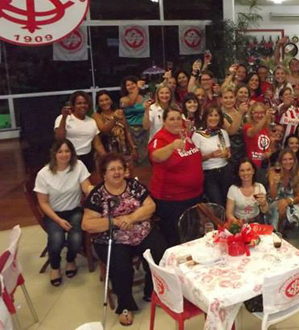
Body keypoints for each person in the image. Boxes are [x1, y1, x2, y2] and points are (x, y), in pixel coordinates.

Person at [82, 153, 166, 326]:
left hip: (141, 231)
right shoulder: (97, 195)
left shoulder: (134, 186)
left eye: (120, 168)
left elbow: (151, 206)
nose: (117, 172)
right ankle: (125, 305)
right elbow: (87, 224)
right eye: (112, 169)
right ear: (104, 173)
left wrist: (131, 218)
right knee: (121, 267)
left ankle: (152, 291)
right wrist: (114, 222)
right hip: (113, 239)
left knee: (160, 251)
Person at [34, 139, 93, 286]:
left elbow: (86, 187)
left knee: (76, 238)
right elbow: (43, 203)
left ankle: (71, 260)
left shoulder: (78, 166)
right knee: (56, 239)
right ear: (54, 153)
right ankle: (55, 267)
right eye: (60, 151)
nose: (64, 154)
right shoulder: (43, 174)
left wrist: (92, 190)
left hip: (75, 210)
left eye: (67, 151)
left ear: (72, 153)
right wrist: (58, 220)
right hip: (53, 213)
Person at [148, 107, 204, 246]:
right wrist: (171, 146)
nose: (176, 122)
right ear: (164, 121)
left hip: (194, 195)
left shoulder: (184, 133)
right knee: (175, 238)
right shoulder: (160, 138)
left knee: (193, 234)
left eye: (178, 118)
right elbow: (155, 156)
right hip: (172, 200)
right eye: (171, 119)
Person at [54, 90, 105, 173]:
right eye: (79, 103)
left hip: (87, 159)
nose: (83, 105)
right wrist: (64, 117)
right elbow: (59, 138)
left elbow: (98, 144)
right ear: (73, 105)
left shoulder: (91, 121)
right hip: (68, 158)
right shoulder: (62, 118)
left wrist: (107, 158)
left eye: (85, 103)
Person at [192, 107, 232, 207]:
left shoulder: (223, 133)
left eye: (216, 115)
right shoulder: (197, 135)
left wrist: (226, 154)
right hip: (209, 174)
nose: (213, 118)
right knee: (217, 203)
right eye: (210, 115)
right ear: (205, 117)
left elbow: (229, 153)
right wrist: (210, 155)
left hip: (225, 171)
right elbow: (194, 159)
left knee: (227, 201)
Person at [94, 90, 138, 176]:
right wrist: (114, 119)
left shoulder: (119, 112)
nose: (105, 102)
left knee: (127, 174)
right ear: (98, 103)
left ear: (111, 100)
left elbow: (127, 131)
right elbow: (104, 130)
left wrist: (133, 147)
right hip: (107, 152)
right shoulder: (97, 115)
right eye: (101, 101)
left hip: (124, 150)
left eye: (107, 99)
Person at [268, 148, 299, 234]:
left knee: (288, 207)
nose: (288, 162)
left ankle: (284, 228)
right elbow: (272, 196)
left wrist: (288, 201)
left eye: (290, 159)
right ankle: (278, 231)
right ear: (280, 161)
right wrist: (275, 183)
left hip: (291, 200)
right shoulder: (273, 171)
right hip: (274, 200)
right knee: (281, 208)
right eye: (284, 159)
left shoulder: (298, 172)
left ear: (294, 160)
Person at [225, 159, 269, 223]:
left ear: (253, 171)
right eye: (242, 171)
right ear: (238, 173)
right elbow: (229, 214)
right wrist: (238, 224)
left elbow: (265, 211)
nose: (245, 173)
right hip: (238, 222)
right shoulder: (233, 189)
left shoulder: (260, 187)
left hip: (256, 221)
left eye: (248, 170)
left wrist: (263, 204)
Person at [120, 76, 148, 164]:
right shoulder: (123, 100)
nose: (131, 86)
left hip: (145, 130)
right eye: (128, 85)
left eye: (133, 84)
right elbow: (131, 102)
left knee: (147, 159)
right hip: (130, 131)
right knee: (133, 160)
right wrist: (137, 89)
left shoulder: (145, 97)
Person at [221, 88, 247, 165]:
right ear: (221, 100)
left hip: (244, 149)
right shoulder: (220, 115)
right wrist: (240, 113)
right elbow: (231, 131)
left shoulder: (240, 111)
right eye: (225, 98)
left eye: (231, 97)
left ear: (235, 98)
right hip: (231, 153)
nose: (228, 100)